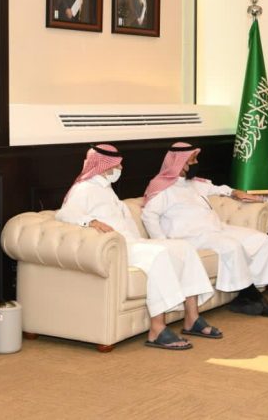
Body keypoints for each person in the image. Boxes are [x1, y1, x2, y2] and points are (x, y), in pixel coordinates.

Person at [56, 144, 222, 350]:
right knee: (159, 255)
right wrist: (91, 222)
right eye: (117, 165)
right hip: (119, 249)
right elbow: (65, 213)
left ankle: (192, 319)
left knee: (185, 248)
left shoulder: (105, 189)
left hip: (134, 243)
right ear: (104, 166)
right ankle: (157, 329)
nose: (120, 168)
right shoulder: (84, 189)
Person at [141, 142, 268, 317]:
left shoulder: (194, 183)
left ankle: (250, 293)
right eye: (192, 160)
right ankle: (250, 295)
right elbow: (149, 215)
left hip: (216, 229)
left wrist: (235, 192)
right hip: (190, 237)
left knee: (262, 240)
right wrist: (163, 243)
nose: (196, 163)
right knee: (231, 246)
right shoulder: (162, 188)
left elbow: (218, 189)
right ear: (179, 163)